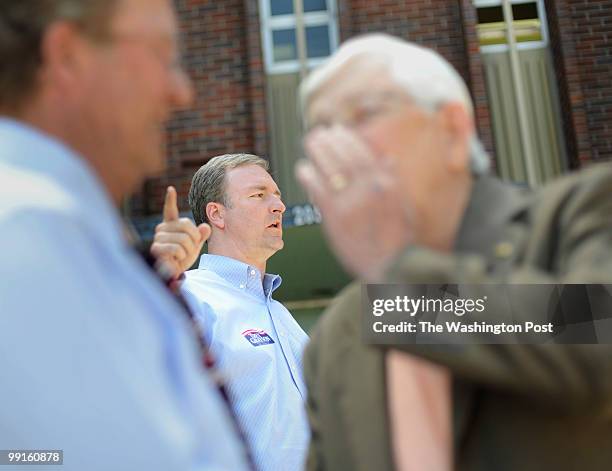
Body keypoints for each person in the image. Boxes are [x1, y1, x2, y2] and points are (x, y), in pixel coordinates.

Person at [295, 33, 612, 471]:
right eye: (321, 130)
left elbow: (597, 330)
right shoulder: (333, 341)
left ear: (452, 130)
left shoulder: (582, 211)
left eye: (362, 115)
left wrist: (395, 268)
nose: (337, 148)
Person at [0, 1, 249, 470]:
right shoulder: (29, 243)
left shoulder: (64, 235)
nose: (183, 92)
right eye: (163, 55)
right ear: (68, 55)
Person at [173, 153, 309, 471]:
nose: (279, 206)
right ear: (217, 215)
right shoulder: (187, 296)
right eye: (258, 195)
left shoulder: (280, 315)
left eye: (277, 195)